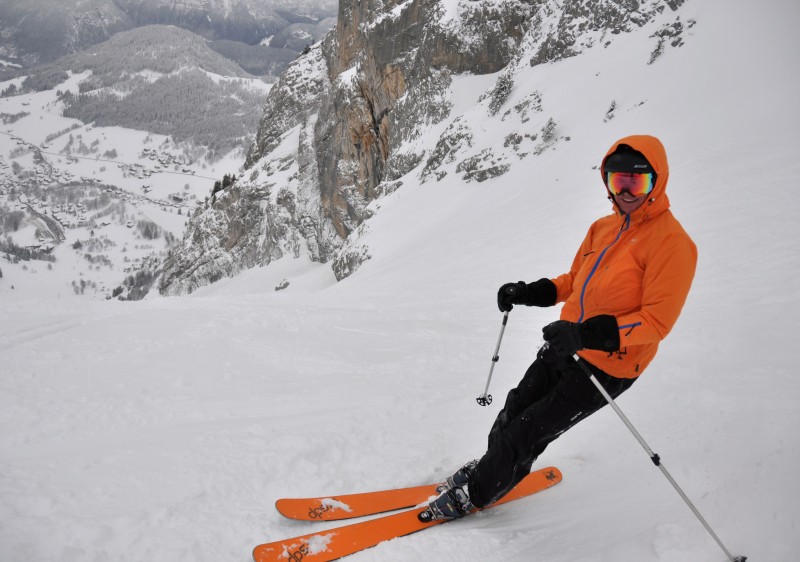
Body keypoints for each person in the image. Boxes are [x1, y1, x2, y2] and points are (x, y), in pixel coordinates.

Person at [425, 134, 698, 520]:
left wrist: (585, 335)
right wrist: (528, 292)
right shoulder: (602, 228)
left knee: (529, 429)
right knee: (515, 407)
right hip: (565, 346)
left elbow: (656, 322)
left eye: (637, 181)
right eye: (617, 180)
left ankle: (478, 492)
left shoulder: (672, 243)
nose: (626, 191)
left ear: (658, 182)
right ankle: (494, 466)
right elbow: (574, 279)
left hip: (609, 365)